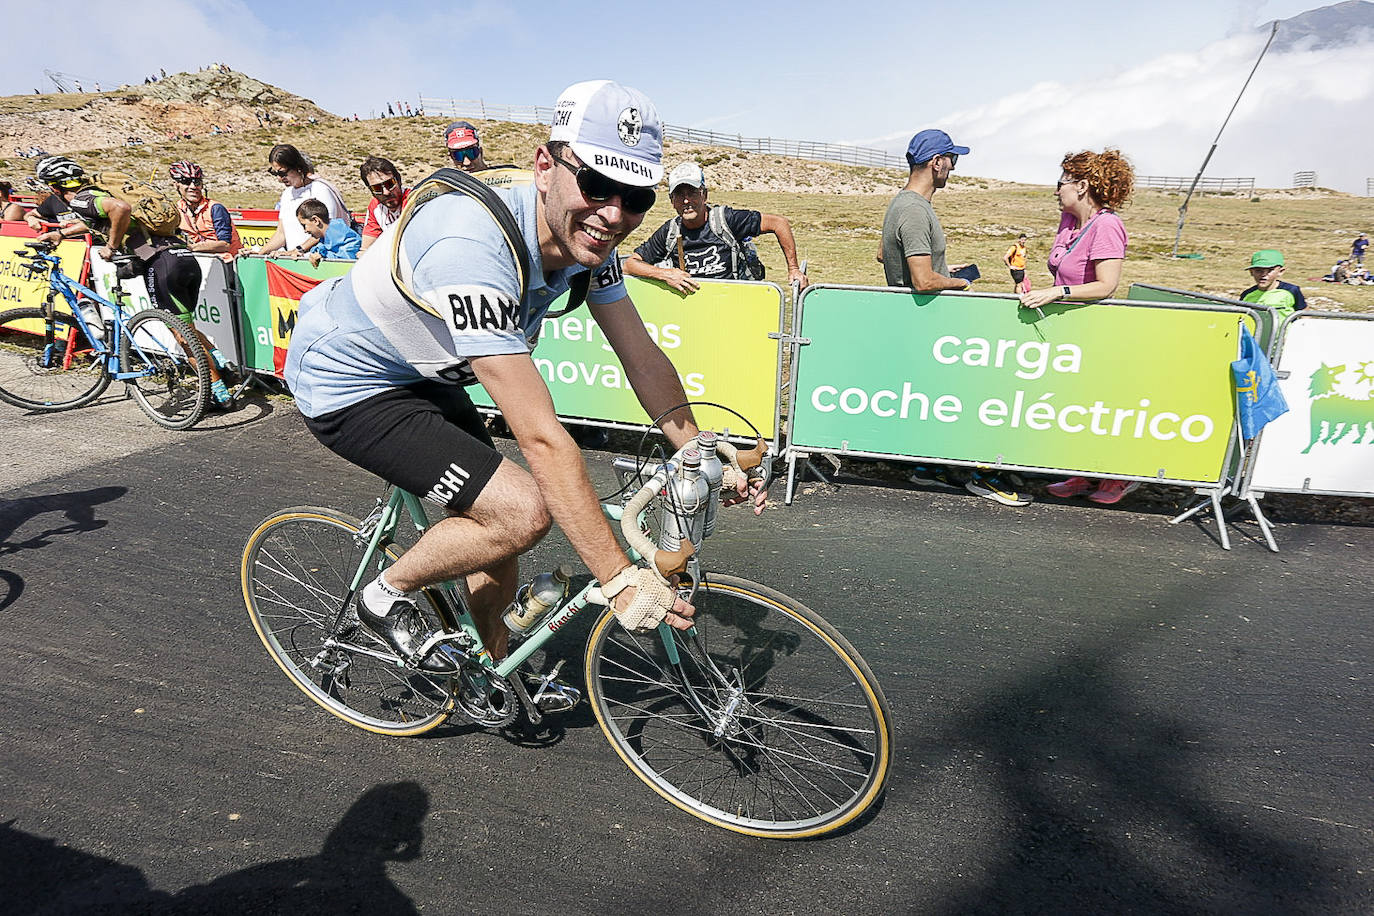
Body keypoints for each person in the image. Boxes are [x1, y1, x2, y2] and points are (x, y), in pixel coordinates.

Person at [284, 80, 764, 673]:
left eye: (635, 196)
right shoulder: (471, 247)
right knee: (523, 511)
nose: (613, 213)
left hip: (424, 370)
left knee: (501, 536)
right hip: (349, 382)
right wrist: (615, 578)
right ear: (544, 167)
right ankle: (381, 597)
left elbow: (638, 352)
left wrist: (696, 447)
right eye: (595, 183)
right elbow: (541, 439)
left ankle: (491, 666)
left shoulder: (593, 241)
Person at [32, 156, 235, 407]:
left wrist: (111, 246)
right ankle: (222, 363)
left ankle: (219, 394)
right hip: (184, 258)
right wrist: (61, 233)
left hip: (162, 265)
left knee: (182, 337)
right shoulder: (95, 194)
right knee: (187, 328)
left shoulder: (83, 198)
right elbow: (96, 221)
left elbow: (120, 210)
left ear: (54, 188)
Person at [1021, 148, 1136, 506]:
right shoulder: (1069, 221)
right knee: (1076, 404)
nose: (1056, 191)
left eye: (1062, 183)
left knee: (1101, 403)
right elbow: (1060, 267)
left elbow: (1106, 285)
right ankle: (1084, 472)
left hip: (1096, 331)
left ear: (1083, 185)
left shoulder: (1106, 226)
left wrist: (1058, 291)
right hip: (1068, 329)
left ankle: (1117, 475)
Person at [622, 161, 808, 292]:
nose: (686, 200)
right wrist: (665, 274)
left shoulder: (726, 220)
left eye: (692, 192)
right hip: (691, 309)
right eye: (679, 195)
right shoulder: (670, 231)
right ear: (672, 201)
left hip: (732, 304)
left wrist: (794, 270)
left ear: (704, 195)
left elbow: (779, 223)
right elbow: (630, 265)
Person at [880, 129, 973, 293]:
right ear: (937, 162)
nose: (953, 167)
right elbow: (924, 282)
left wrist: (941, 270)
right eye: (953, 159)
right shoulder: (914, 210)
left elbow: (883, 254)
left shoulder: (901, 202)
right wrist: (962, 283)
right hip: (923, 315)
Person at [251, 144, 350, 256]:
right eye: (275, 173)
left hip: (319, 260)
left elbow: (326, 230)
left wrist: (298, 250)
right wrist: (259, 253)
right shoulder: (287, 194)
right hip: (296, 261)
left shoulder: (321, 190)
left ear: (297, 167)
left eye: (282, 173)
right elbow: (281, 234)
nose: (279, 179)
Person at [170, 160, 242, 261]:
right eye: (186, 182)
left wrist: (191, 248)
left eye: (197, 182)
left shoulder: (216, 208)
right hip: (199, 260)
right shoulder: (177, 210)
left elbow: (225, 245)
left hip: (227, 261)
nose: (193, 187)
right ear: (176, 184)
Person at [357, 156, 410, 253]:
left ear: (399, 180)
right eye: (377, 188)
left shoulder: (413, 201)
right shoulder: (375, 207)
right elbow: (365, 250)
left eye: (390, 184)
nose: (386, 192)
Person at [1239, 250, 1307, 321]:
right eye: (1258, 270)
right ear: (1251, 272)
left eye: (1270, 270)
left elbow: (1304, 314)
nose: (1263, 275)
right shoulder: (1247, 295)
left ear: (1280, 272)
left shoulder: (1291, 291)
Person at [295, 198, 361, 266]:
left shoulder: (345, 238)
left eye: (304, 225)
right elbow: (320, 249)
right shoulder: (324, 238)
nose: (305, 231)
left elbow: (348, 259)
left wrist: (325, 255)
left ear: (316, 220)